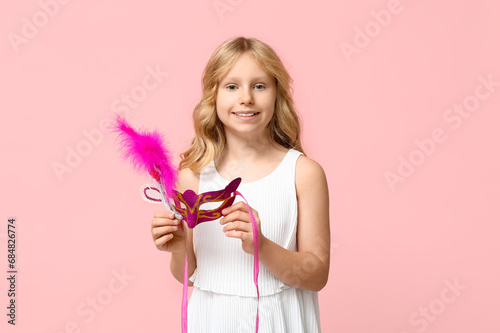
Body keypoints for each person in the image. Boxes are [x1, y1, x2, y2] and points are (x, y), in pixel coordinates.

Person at [151, 36, 330, 332]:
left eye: (259, 86)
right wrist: (179, 247)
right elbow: (188, 275)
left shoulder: (303, 173)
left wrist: (262, 246)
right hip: (211, 319)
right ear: (214, 95)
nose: (246, 97)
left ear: (277, 95)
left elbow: (317, 275)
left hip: (280, 320)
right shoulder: (192, 176)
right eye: (232, 86)